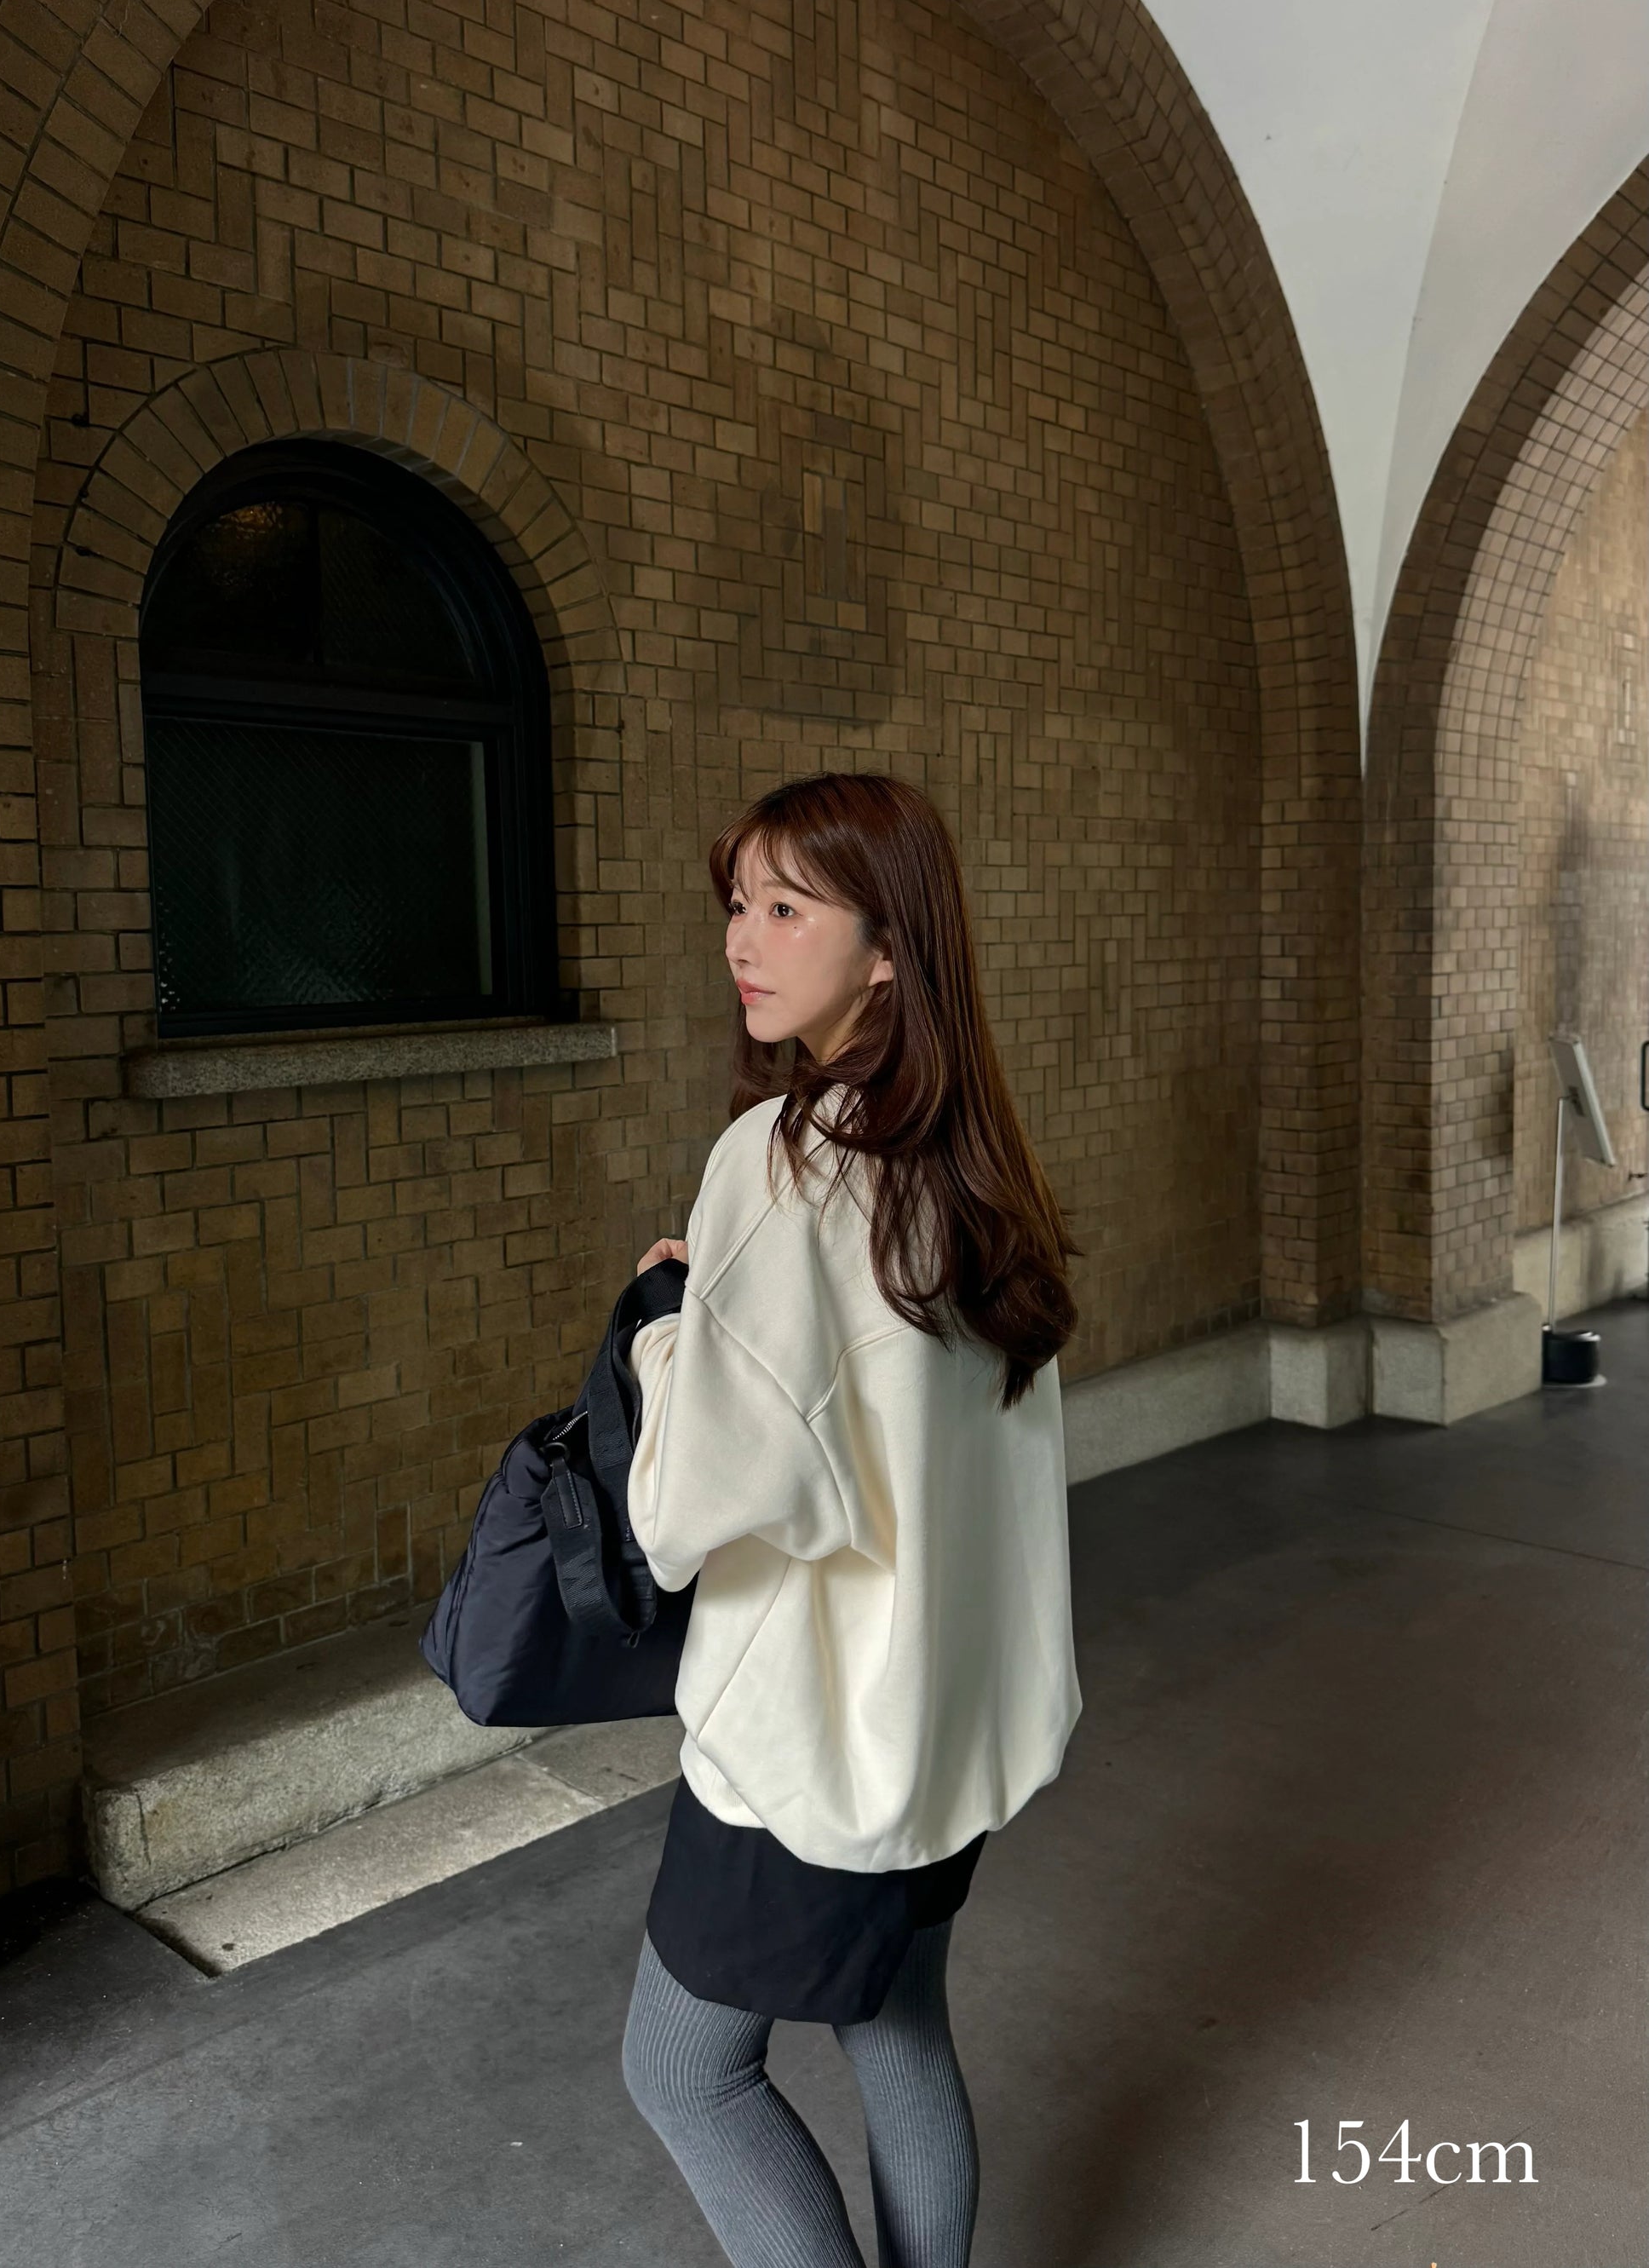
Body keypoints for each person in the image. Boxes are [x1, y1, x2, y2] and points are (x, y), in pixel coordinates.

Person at [619, 770, 1084, 2268]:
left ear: (888, 947)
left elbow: (687, 1502)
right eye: (736, 903)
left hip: (810, 1745)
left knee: (683, 2071)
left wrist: (666, 1329)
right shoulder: (974, 1164)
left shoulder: (781, 1162)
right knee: (895, 2021)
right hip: (945, 1721)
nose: (741, 941)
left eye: (786, 907)